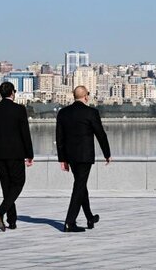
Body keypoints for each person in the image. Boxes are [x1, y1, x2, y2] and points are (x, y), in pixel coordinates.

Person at [56, 85, 111, 232]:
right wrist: (107, 154)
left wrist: (62, 159)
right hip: (85, 156)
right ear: (86, 96)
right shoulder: (91, 112)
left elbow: (59, 138)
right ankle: (70, 222)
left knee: (81, 185)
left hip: (71, 156)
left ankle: (89, 217)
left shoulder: (63, 113)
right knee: (79, 186)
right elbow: (100, 134)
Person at [0, 82, 34, 232]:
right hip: (16, 153)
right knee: (18, 183)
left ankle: (11, 220)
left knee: (7, 186)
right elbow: (25, 133)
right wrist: (29, 154)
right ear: (13, 93)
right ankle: (0, 211)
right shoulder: (19, 109)